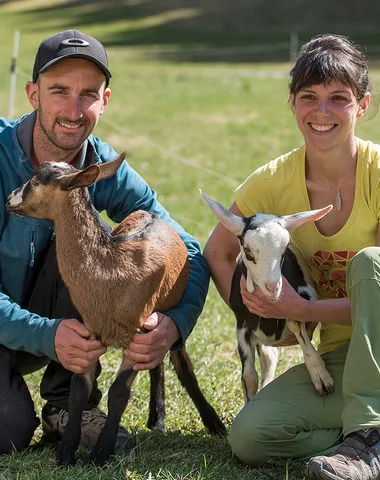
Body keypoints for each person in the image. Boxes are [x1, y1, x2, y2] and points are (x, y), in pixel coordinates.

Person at [0, 30, 209, 454]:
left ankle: (64, 404)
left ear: (105, 100)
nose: (73, 110)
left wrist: (174, 323)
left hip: (49, 333)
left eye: (88, 94)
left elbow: (186, 247)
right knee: (8, 433)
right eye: (59, 91)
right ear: (32, 94)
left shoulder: (96, 164)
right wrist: (47, 334)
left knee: (92, 253)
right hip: (18, 327)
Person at [204, 33, 380, 480]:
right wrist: (259, 316)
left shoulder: (377, 173)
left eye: (338, 98)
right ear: (292, 103)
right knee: (249, 437)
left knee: (370, 262)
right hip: (344, 358)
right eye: (309, 97)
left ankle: (366, 444)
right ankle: (363, 439)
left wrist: (302, 309)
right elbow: (219, 252)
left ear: (362, 105)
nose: (322, 112)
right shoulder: (271, 180)